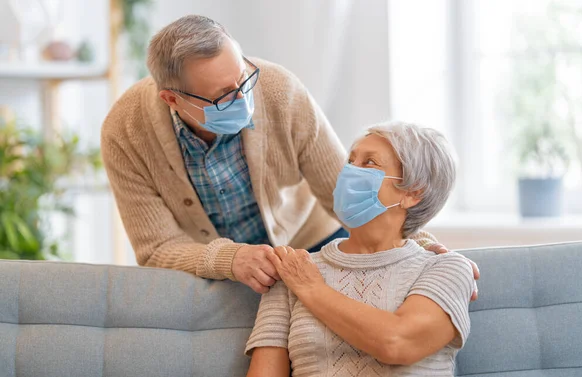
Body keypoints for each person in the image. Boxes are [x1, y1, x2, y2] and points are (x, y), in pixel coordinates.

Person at [101, 15, 478, 295]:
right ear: (171, 98)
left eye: (243, 78)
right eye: (222, 94)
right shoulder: (125, 131)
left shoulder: (279, 90)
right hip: (214, 266)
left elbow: (342, 191)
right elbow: (156, 248)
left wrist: (416, 244)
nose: (242, 97)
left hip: (310, 243)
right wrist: (230, 260)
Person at [246, 122, 475, 376]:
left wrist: (313, 289)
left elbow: (398, 342)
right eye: (351, 161)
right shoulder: (292, 272)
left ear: (412, 192)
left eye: (370, 163)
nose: (349, 172)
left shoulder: (446, 268)